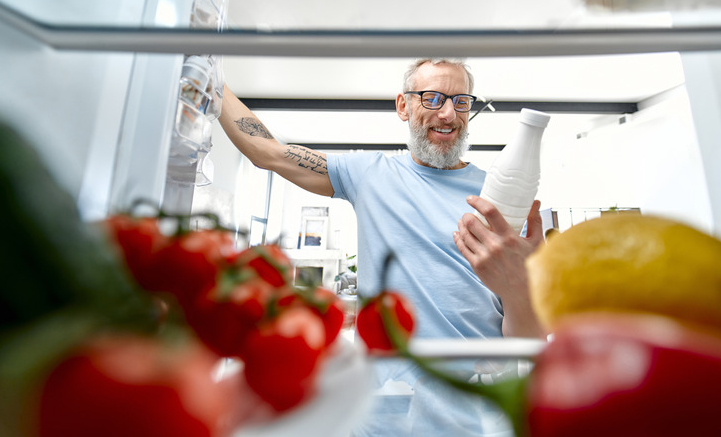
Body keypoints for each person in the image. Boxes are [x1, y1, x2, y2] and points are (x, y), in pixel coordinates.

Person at [218, 58, 544, 435]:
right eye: (433, 97)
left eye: (462, 100)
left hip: (473, 408)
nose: (449, 113)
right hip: (383, 407)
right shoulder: (368, 173)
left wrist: (519, 284)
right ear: (403, 106)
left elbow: (528, 342)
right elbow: (267, 152)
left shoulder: (498, 198)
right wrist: (212, 78)